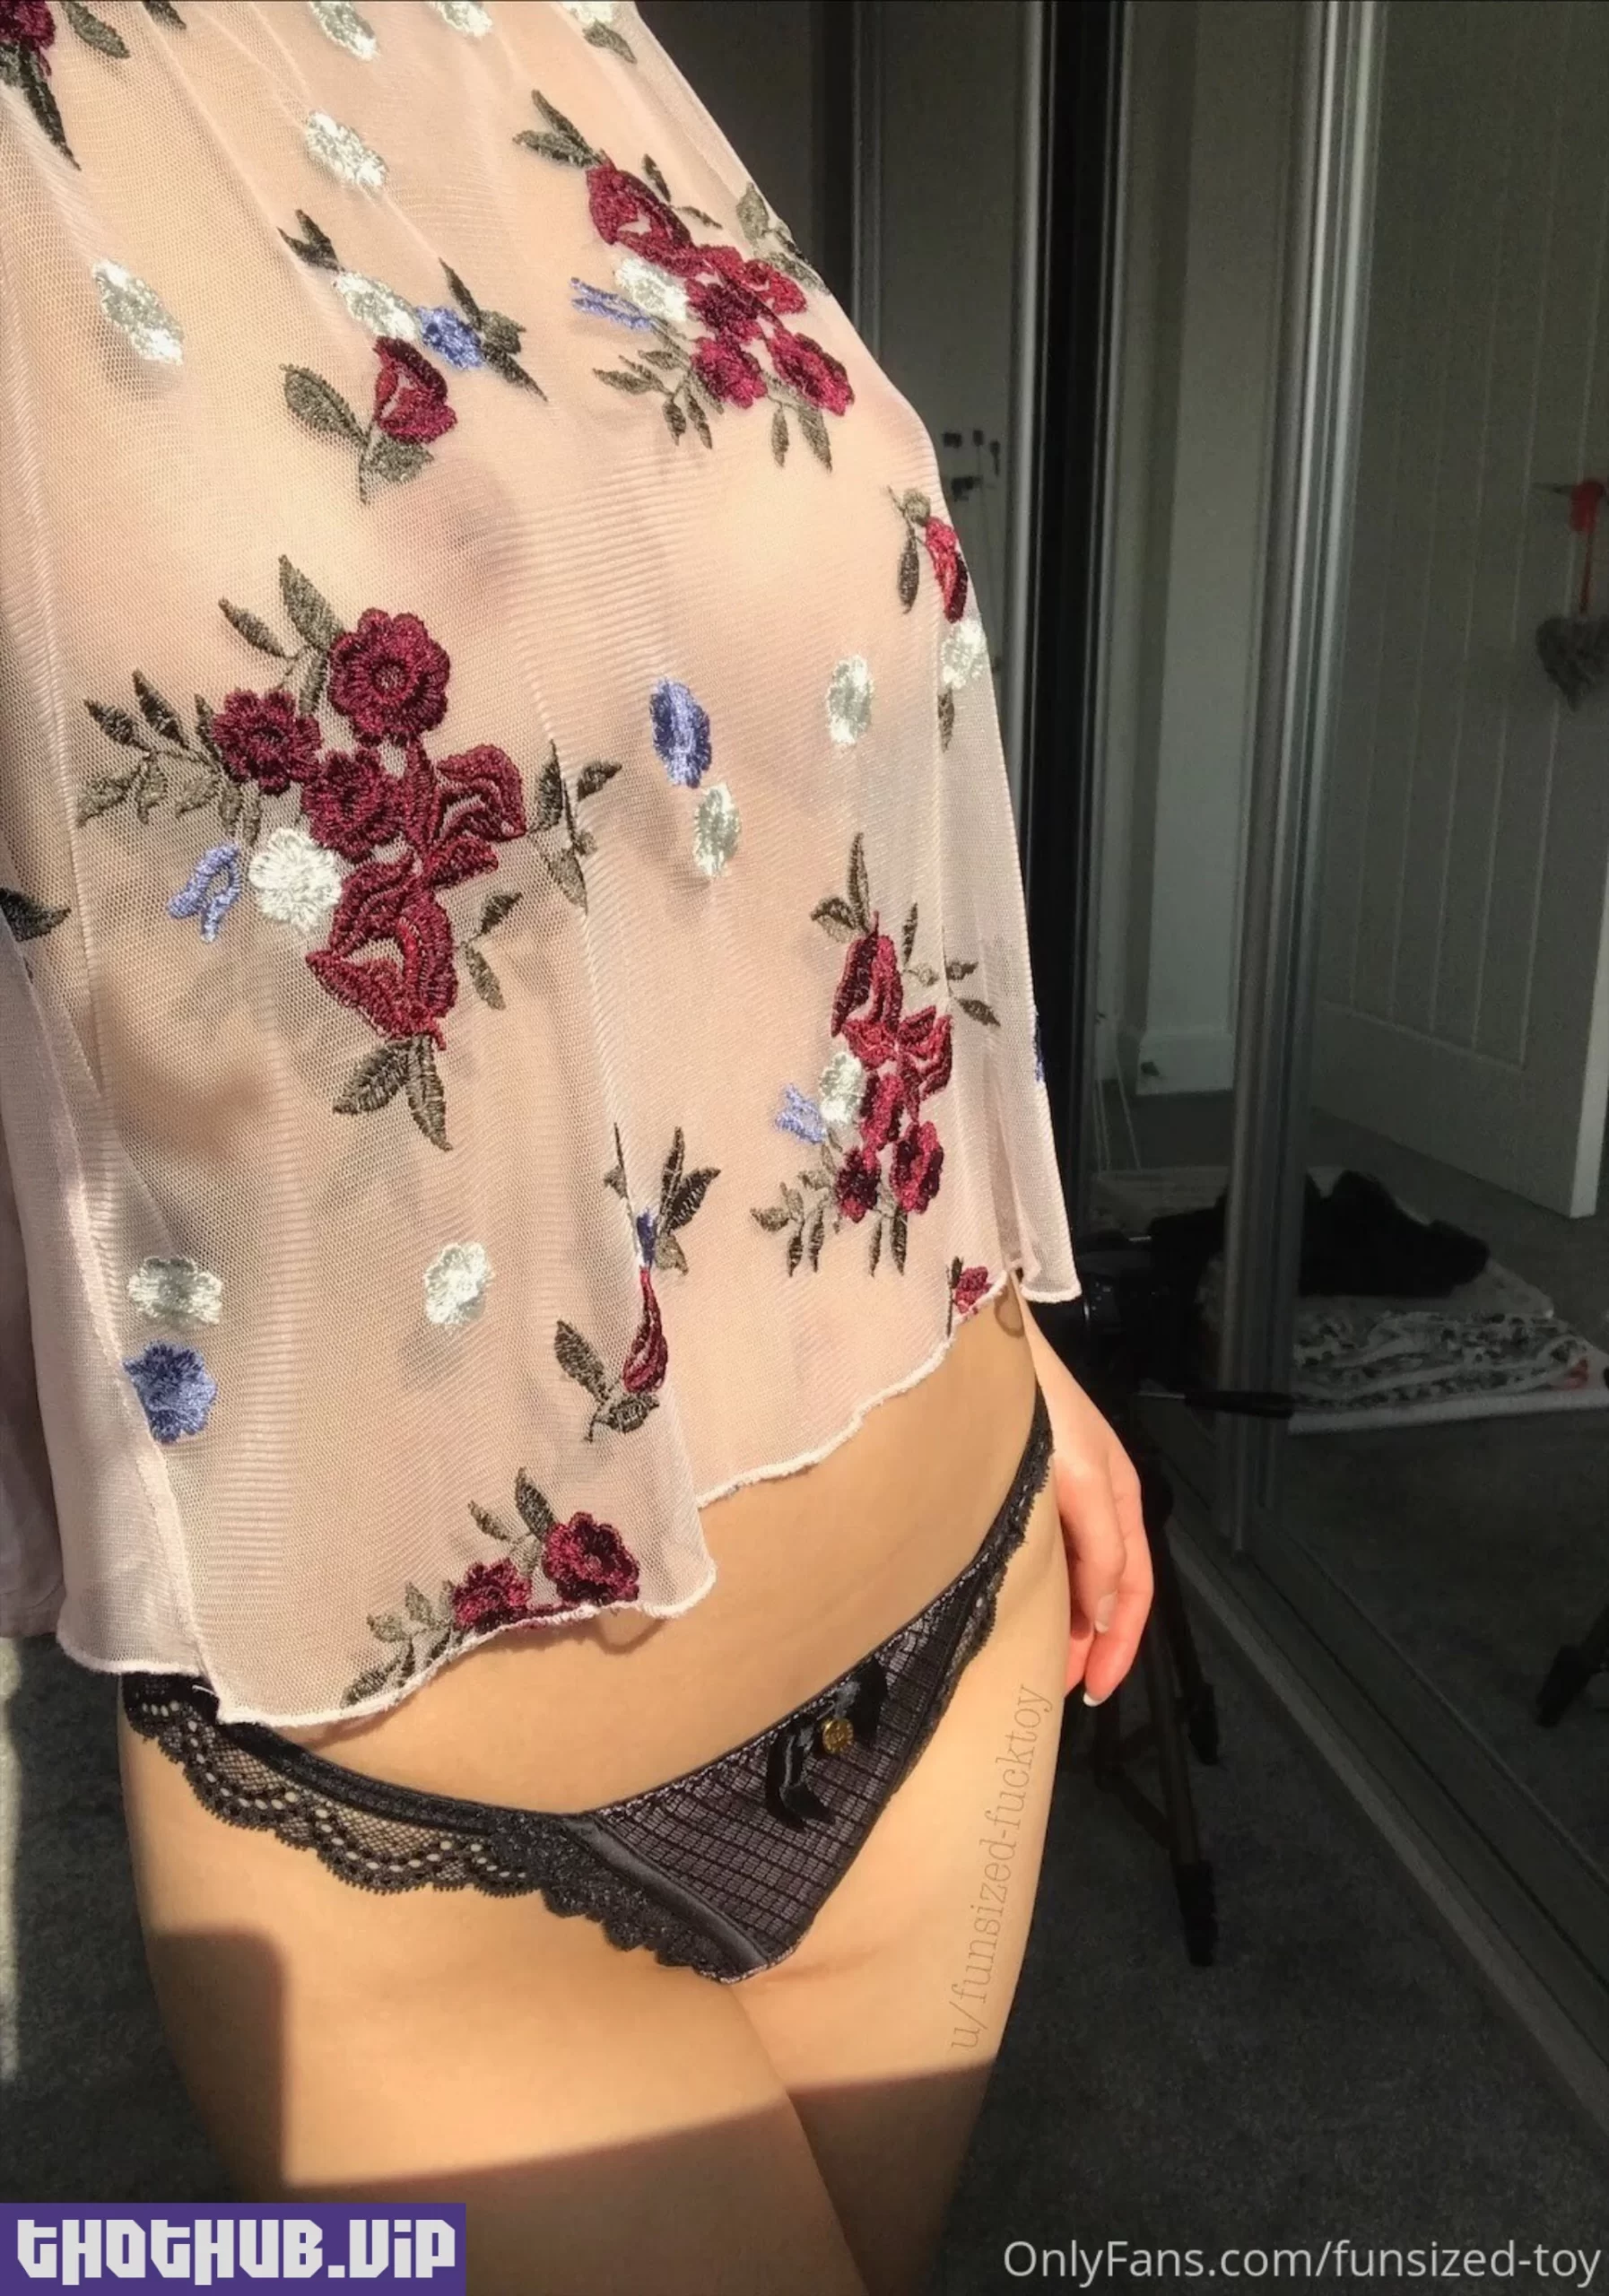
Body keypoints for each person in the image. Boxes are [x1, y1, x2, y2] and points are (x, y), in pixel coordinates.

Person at [0, 3, 1151, 2288]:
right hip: (412, 1829)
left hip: (955, 1583)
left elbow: (762, 812)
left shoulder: (566, 36)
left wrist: (1015, 1318)